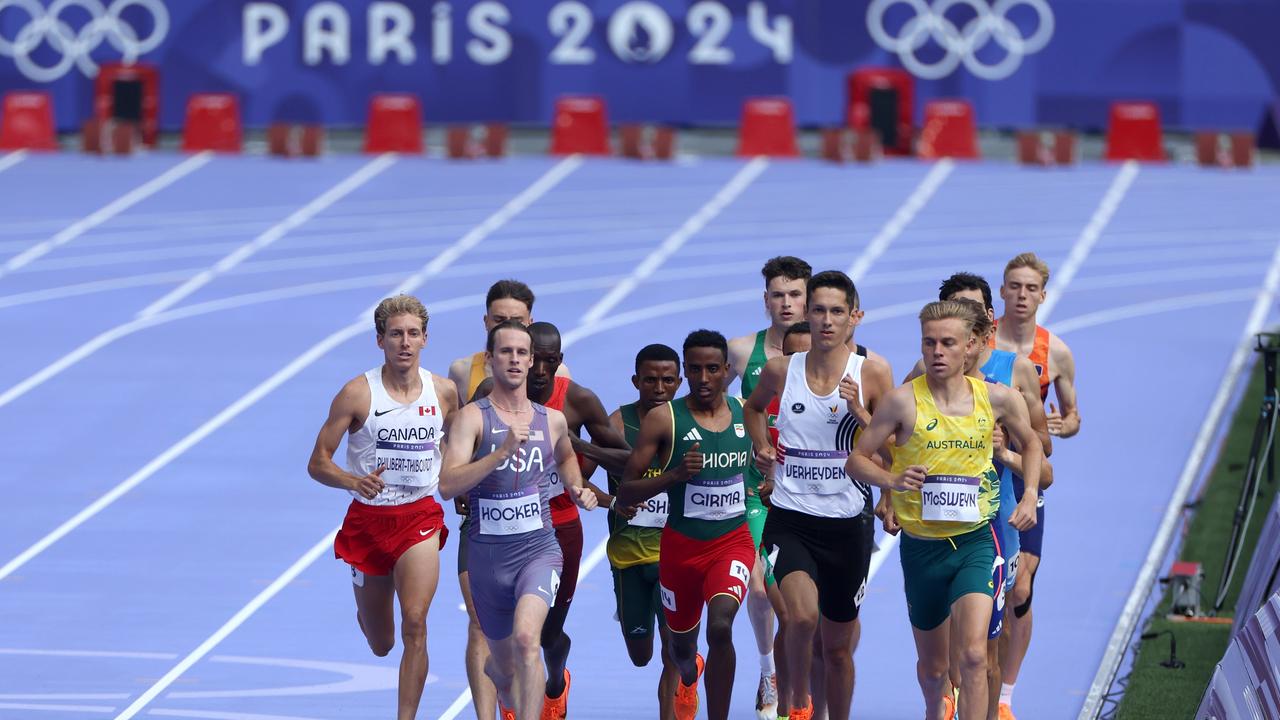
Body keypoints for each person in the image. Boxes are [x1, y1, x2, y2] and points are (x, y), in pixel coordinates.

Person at [847, 300, 1043, 720]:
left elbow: (1031, 444)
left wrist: (1028, 496)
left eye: (947, 343)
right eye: (928, 342)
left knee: (973, 656)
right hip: (921, 550)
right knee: (935, 670)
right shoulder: (902, 402)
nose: (936, 351)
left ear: (970, 345)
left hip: (975, 542)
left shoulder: (999, 399)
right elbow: (857, 460)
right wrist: (893, 481)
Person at [898, 275, 1054, 720]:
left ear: (985, 325)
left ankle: (996, 705)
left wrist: (1008, 459)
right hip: (931, 532)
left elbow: (1043, 460)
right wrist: (891, 493)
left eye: (969, 315)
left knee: (980, 653)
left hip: (993, 526)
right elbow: (892, 433)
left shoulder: (1012, 375)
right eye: (950, 312)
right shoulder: (923, 374)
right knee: (943, 660)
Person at [745, 271, 893, 720]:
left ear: (854, 318)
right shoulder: (779, 370)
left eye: (836, 312)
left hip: (848, 523)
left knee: (837, 650)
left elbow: (892, 446)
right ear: (807, 314)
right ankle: (797, 708)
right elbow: (752, 409)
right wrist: (761, 446)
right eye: (819, 311)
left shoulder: (872, 372)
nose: (826, 321)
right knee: (800, 619)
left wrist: (860, 412)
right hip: (791, 519)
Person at [307, 294, 460, 720]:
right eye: (396, 334)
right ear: (380, 341)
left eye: (413, 334)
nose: (405, 342)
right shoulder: (357, 393)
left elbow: (456, 443)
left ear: (425, 339)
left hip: (420, 517)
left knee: (415, 622)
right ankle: (370, 611)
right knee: (382, 643)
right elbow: (317, 463)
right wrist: (353, 480)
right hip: (368, 523)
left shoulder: (444, 393)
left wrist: (453, 474)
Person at [439, 320, 598, 720]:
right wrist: (501, 452)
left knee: (529, 639)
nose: (514, 359)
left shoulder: (552, 420)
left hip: (539, 551)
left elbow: (563, 455)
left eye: (521, 353)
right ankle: (500, 676)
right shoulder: (472, 419)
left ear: (531, 362)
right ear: (490, 359)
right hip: (488, 559)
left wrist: (576, 486)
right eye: (505, 352)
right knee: (505, 669)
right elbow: (447, 484)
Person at [472, 321, 628, 719]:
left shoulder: (576, 401)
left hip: (558, 526)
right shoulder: (488, 396)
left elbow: (628, 458)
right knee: (511, 637)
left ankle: (555, 683)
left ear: (560, 363)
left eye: (549, 361)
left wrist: (572, 445)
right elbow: (467, 449)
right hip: (501, 525)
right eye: (533, 359)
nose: (539, 370)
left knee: (547, 634)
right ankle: (519, 702)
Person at [618, 330, 756, 720]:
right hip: (680, 550)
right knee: (679, 649)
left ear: (727, 371)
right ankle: (688, 671)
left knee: (721, 628)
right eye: (694, 369)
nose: (704, 378)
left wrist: (766, 474)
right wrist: (675, 475)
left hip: (732, 543)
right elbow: (627, 491)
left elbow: (767, 458)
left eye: (713, 369)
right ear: (685, 373)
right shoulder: (665, 419)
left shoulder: (746, 412)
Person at [991, 254, 1080, 720]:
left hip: (1025, 475)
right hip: (980, 474)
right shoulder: (983, 345)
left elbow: (1073, 415)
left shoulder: (1056, 352)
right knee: (986, 589)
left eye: (1030, 289)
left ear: (1043, 295)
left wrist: (1062, 428)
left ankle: (1005, 696)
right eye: (1014, 287)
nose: (1022, 296)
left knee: (1021, 589)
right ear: (1001, 291)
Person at [727, 256, 812, 720]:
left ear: (809, 298)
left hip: (809, 489)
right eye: (777, 295)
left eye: (795, 294)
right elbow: (717, 406)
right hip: (753, 486)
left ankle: (802, 677)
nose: (786, 303)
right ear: (765, 300)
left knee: (802, 600)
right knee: (758, 590)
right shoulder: (742, 351)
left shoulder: (833, 354)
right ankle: (768, 673)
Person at [597, 343, 684, 720]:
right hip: (628, 559)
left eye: (667, 380)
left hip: (676, 556)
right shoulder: (618, 424)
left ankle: (682, 671)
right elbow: (579, 479)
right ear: (636, 381)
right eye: (650, 380)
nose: (659, 387)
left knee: (671, 650)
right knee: (640, 654)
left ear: (679, 381)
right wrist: (612, 502)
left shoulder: (690, 421)